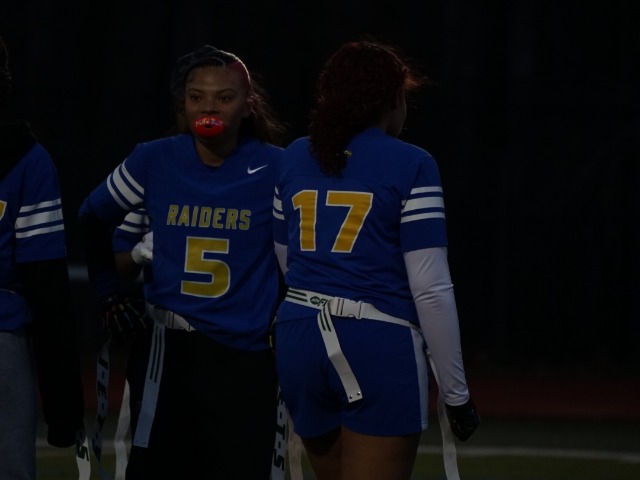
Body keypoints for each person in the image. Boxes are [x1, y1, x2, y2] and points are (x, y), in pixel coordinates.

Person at [272, 39, 480, 480]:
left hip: (299, 335)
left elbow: (287, 261)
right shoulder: (412, 163)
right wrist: (455, 393)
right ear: (391, 100)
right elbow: (431, 287)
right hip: (375, 342)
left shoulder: (293, 155)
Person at [78, 44, 288, 479]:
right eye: (197, 97)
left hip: (244, 357)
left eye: (224, 97)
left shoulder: (277, 167)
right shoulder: (153, 159)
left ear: (248, 105)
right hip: (168, 350)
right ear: (183, 103)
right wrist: (109, 293)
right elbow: (91, 219)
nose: (208, 107)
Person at [0, 36, 85, 480]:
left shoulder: (28, 162)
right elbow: (47, 289)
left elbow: (47, 286)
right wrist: (63, 408)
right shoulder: (27, 160)